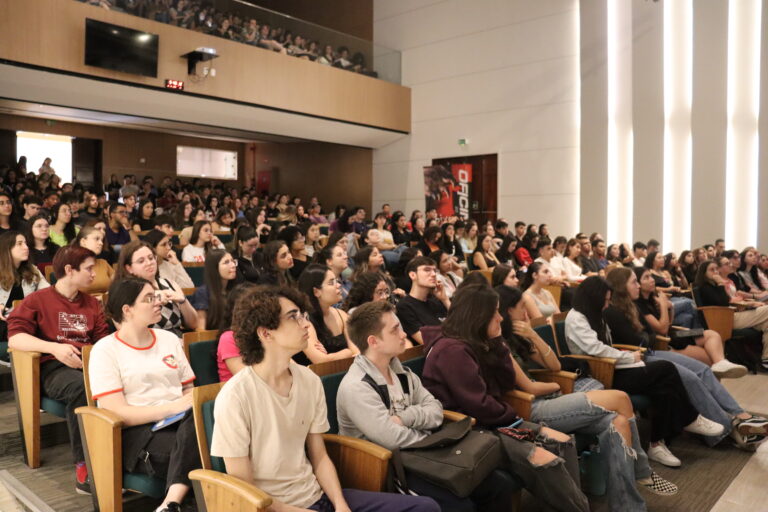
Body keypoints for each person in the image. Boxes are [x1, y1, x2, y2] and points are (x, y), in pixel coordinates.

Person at [209, 286, 439, 512]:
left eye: (303, 315)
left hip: (319, 496)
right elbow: (246, 491)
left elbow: (319, 457)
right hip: (273, 507)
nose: (305, 324)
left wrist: (340, 504)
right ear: (265, 333)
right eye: (293, 317)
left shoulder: (309, 380)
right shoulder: (235, 397)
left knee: (426, 507)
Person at [496, 285, 679, 506]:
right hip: (533, 408)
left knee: (618, 423)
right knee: (621, 399)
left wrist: (533, 334)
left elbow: (553, 364)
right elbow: (532, 389)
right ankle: (642, 470)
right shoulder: (499, 344)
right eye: (521, 308)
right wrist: (556, 385)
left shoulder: (519, 337)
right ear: (507, 312)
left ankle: (628, 507)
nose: (526, 313)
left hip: (549, 399)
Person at [419, 285, 590, 512]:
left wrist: (498, 344)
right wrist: (513, 416)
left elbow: (506, 382)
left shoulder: (475, 341)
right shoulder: (452, 350)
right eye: (495, 313)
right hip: (469, 431)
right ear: (478, 317)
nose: (501, 318)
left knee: (563, 442)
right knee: (546, 461)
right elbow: (478, 405)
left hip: (493, 423)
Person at [338, 300, 518, 512]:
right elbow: (390, 438)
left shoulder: (401, 372)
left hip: (419, 454)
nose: (404, 334)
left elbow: (435, 409)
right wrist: (429, 438)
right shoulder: (356, 387)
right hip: (387, 467)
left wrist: (406, 417)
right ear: (373, 341)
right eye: (395, 330)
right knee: (460, 505)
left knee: (498, 484)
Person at [564, 276, 724, 467]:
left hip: (613, 364)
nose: (607, 305)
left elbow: (610, 345)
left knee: (663, 384)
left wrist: (627, 355)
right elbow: (596, 349)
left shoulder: (597, 314)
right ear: (594, 298)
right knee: (665, 370)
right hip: (600, 373)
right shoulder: (577, 318)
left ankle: (659, 442)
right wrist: (629, 357)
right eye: (605, 300)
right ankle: (684, 421)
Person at [603, 267, 767, 451]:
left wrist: (665, 312)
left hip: (660, 345)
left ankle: (740, 415)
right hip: (643, 355)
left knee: (704, 364)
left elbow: (654, 333)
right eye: (636, 281)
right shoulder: (618, 311)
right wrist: (663, 310)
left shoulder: (636, 304)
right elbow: (648, 337)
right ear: (621, 286)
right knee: (691, 376)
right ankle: (730, 428)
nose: (640, 285)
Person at [90, 277, 201, 512]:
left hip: (181, 423)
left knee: (206, 421)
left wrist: (187, 405)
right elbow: (116, 413)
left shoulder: (169, 339)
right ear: (127, 310)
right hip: (140, 434)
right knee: (206, 450)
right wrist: (174, 408)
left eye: (157, 296)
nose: (158, 302)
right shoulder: (105, 350)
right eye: (149, 299)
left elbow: (188, 391)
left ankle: (171, 503)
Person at [8, 245, 110, 494]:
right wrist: (54, 348)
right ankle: (84, 465)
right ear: (69, 270)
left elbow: (103, 340)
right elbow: (15, 339)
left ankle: (116, 459)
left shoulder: (92, 304)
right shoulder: (38, 300)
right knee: (81, 389)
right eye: (88, 269)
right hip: (52, 368)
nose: (93, 275)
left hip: (87, 364)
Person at [630, 266, 742, 374]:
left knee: (712, 334)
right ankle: (717, 369)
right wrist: (664, 306)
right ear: (638, 284)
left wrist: (671, 308)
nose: (652, 280)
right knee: (709, 357)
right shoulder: (639, 305)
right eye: (646, 277)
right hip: (665, 341)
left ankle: (721, 362)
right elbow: (662, 329)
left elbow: (669, 324)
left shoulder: (652, 298)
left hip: (675, 334)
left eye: (651, 276)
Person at [695, 260, 768, 370]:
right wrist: (721, 283)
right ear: (704, 273)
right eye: (711, 270)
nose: (715, 272)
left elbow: (727, 301)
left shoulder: (714, 285)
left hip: (731, 315)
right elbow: (723, 302)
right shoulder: (704, 287)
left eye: (716, 269)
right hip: (723, 319)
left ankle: (765, 359)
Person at [118, 240, 197, 336]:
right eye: (141, 261)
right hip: (147, 345)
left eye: (151, 258)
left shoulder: (169, 283)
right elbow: (127, 332)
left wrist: (183, 301)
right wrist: (152, 299)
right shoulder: (122, 291)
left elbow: (193, 324)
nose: (149, 263)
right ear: (129, 268)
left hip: (178, 341)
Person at [295, 264, 360, 365]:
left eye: (336, 280)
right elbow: (320, 361)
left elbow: (357, 352)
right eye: (331, 283)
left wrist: (333, 356)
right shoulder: (305, 321)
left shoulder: (342, 315)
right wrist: (347, 352)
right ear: (316, 292)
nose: (338, 285)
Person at [0, 231, 50, 341]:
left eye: (26, 243)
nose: (26, 247)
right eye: (20, 244)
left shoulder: (32, 270)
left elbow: (49, 294)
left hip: (25, 320)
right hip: (4, 322)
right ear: (7, 248)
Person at [396, 257, 450, 345]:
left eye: (434, 270)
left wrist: (445, 299)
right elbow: (426, 341)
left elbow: (462, 326)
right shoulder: (404, 307)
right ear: (413, 275)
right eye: (427, 270)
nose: (433, 274)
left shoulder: (437, 301)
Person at [216, 284, 257, 382]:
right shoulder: (228, 338)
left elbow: (289, 367)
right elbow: (246, 379)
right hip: (239, 393)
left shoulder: (265, 333)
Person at [190, 249, 238, 331]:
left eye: (233, 261)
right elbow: (200, 329)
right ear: (214, 268)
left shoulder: (235, 291)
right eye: (226, 262)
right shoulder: (203, 293)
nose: (233, 265)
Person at [72, 226, 114, 294]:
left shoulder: (103, 263)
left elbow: (118, 284)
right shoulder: (73, 264)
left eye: (101, 240)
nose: (101, 243)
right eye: (96, 239)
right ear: (83, 241)